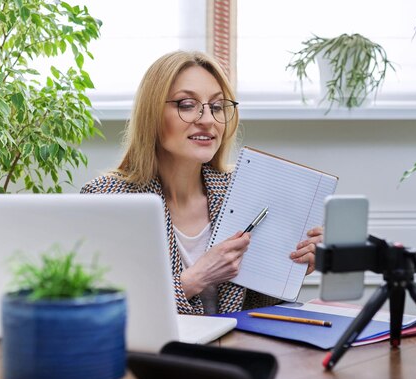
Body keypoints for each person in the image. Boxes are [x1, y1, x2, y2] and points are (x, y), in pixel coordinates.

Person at [81, 51, 322, 315]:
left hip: (233, 350)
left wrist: (291, 268)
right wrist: (194, 279)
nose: (207, 120)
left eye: (217, 107)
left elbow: (251, 308)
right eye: (186, 105)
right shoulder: (107, 197)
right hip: (154, 355)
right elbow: (100, 310)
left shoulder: (241, 190)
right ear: (151, 113)